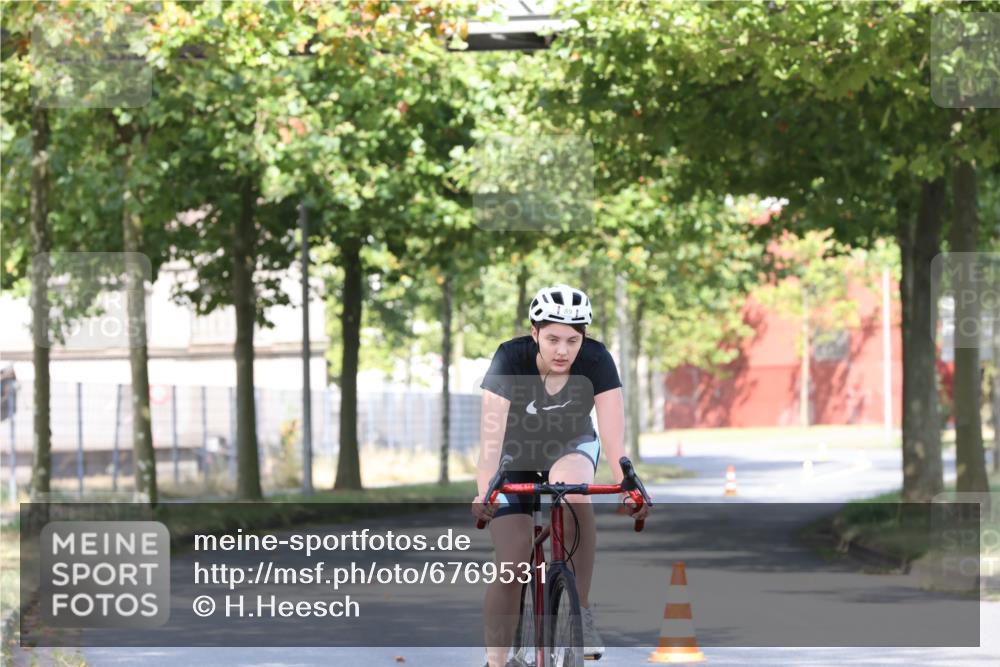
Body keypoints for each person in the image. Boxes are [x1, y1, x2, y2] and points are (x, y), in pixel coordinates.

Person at [471, 283, 651, 667]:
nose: (563, 350)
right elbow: (489, 440)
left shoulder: (597, 361)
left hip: (571, 445)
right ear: (533, 333)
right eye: (552, 338)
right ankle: (497, 661)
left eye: (573, 340)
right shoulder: (509, 359)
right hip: (514, 454)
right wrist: (484, 492)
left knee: (573, 493)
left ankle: (580, 612)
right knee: (513, 563)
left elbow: (615, 441)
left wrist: (628, 486)